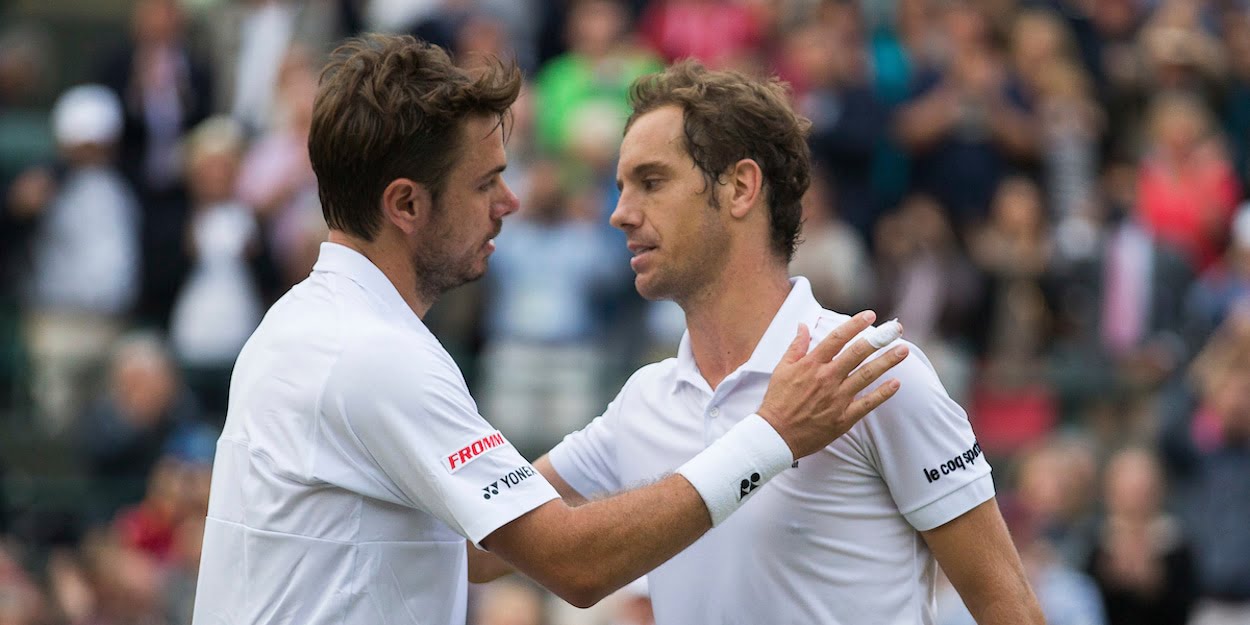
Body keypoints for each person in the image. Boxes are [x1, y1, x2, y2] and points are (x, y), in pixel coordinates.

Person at [191, 34, 908, 625]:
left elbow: (475, 547)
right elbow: (573, 562)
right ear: (406, 203)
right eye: (484, 183)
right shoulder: (374, 354)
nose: (510, 200)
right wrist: (772, 434)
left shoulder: (304, 324)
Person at [478, 60, 1045, 624]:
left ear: (741, 188)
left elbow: (1009, 609)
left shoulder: (872, 372)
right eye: (622, 187)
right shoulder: (640, 402)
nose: (620, 214)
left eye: (651, 182)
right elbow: (483, 551)